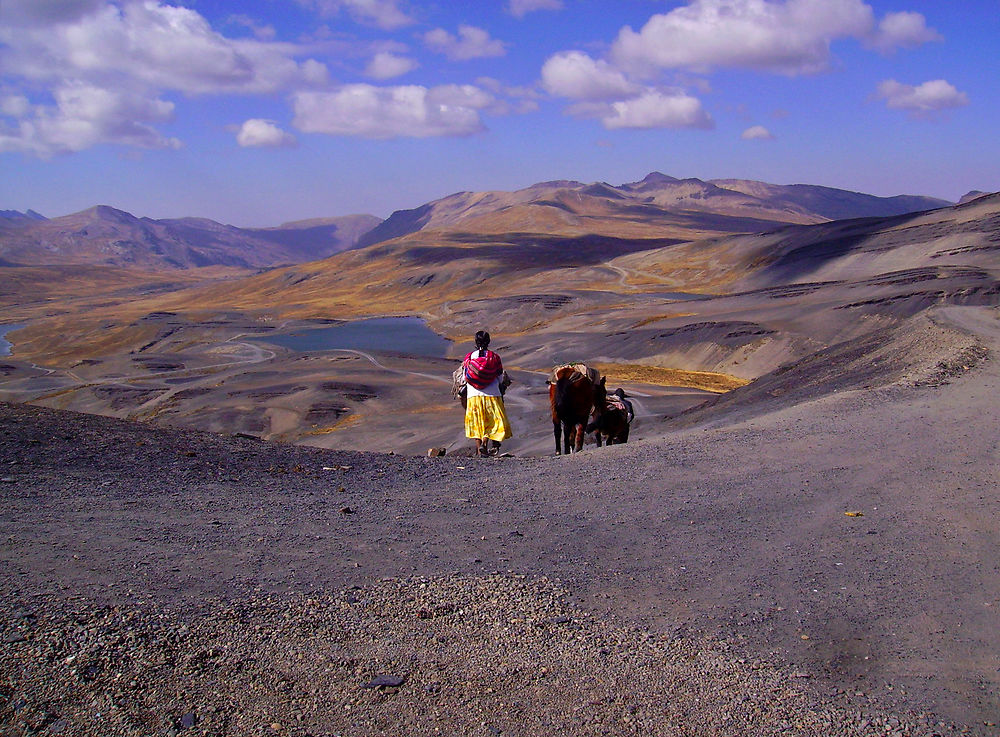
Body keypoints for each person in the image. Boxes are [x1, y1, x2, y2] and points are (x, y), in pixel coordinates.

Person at [462, 330, 512, 457]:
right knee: (492, 421)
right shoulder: (494, 357)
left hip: (473, 395)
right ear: (488, 342)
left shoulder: (469, 357)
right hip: (492, 394)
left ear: (475, 341)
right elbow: (500, 377)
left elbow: (464, 376)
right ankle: (485, 442)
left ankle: (479, 450)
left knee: (476, 422)